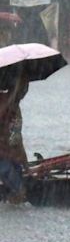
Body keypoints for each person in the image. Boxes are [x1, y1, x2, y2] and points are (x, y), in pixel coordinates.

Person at [0, 73, 29, 203]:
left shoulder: (16, 108)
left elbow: (17, 137)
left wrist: (26, 165)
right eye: (23, 86)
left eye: (26, 87)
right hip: (2, 159)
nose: (25, 90)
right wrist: (12, 96)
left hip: (13, 157)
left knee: (19, 197)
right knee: (19, 193)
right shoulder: (3, 100)